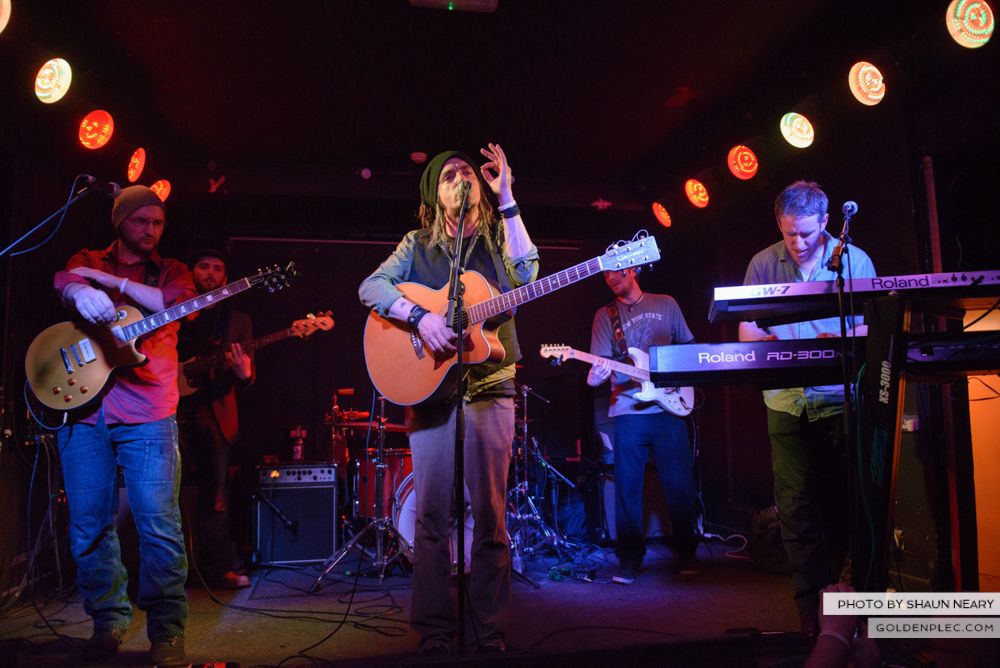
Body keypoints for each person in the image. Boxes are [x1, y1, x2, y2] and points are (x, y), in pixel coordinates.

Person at [359, 144, 538, 656]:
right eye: (448, 175)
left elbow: (526, 275)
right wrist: (420, 317)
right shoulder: (416, 243)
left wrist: (508, 198)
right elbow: (371, 287)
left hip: (490, 385)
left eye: (467, 172)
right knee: (432, 518)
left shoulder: (499, 236)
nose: (461, 178)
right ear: (434, 195)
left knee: (491, 518)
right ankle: (435, 632)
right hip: (431, 394)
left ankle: (489, 631)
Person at [52, 185, 196, 665]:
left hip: (148, 411)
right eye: (141, 221)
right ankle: (107, 622)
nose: (151, 230)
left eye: (158, 222)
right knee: (89, 525)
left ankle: (167, 633)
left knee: (159, 524)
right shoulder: (89, 258)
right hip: (84, 408)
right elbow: (64, 278)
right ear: (120, 222)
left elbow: (174, 300)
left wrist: (105, 283)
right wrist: (80, 288)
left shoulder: (172, 271)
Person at [738, 180, 876, 635]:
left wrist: (841, 338)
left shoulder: (854, 260)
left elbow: (871, 328)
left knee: (842, 507)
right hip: (785, 402)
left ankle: (849, 617)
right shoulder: (762, 262)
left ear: (826, 222)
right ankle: (810, 623)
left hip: (838, 400)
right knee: (795, 511)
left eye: (807, 234)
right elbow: (746, 331)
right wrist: (768, 340)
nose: (797, 243)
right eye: (789, 233)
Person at [586, 266, 702, 584]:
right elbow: (600, 364)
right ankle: (629, 557)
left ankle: (687, 551)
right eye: (606, 274)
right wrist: (596, 375)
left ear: (634, 268)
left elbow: (690, 349)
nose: (611, 278)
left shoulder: (666, 303)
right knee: (627, 487)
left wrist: (675, 379)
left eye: (617, 271)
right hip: (627, 409)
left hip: (670, 407)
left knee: (679, 484)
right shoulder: (604, 316)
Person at [177, 249, 253, 590]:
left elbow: (247, 373)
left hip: (215, 410)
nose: (210, 273)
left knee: (216, 494)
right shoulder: (174, 311)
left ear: (226, 277)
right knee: (166, 491)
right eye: (203, 266)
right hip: (171, 408)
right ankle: (168, 568)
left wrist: (244, 372)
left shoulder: (236, 319)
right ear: (191, 270)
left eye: (217, 268)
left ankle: (218, 568)